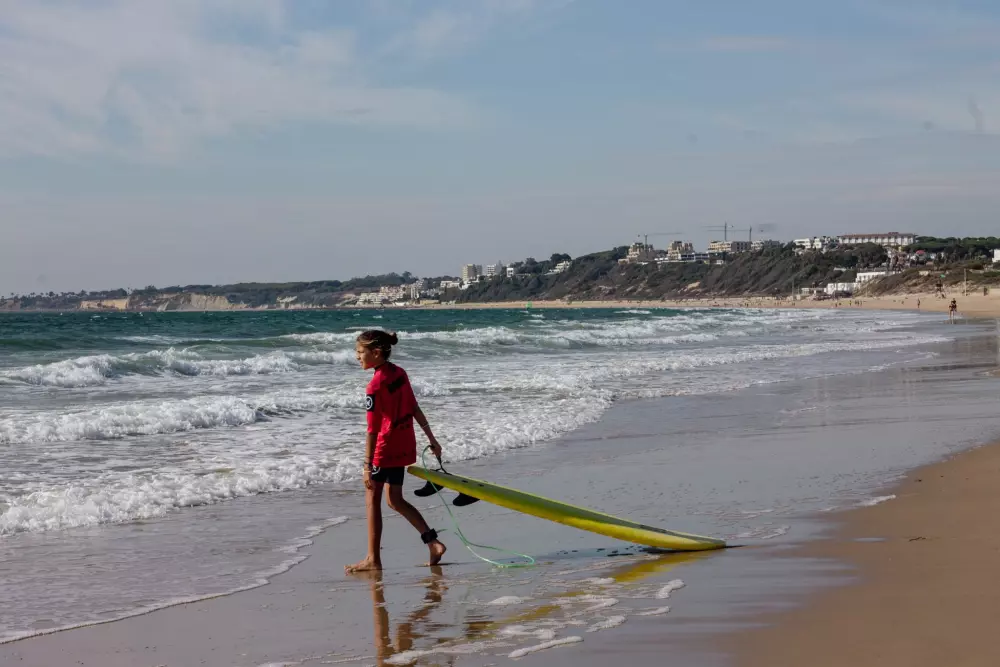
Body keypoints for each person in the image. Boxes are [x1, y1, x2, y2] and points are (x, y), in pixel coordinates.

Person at [346, 330, 446, 573]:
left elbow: (372, 430)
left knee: (372, 501)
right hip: (403, 443)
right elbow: (414, 407)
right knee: (395, 500)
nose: (357, 357)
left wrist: (367, 465)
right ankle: (432, 542)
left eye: (360, 352)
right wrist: (432, 439)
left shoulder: (374, 386)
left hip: (384, 449)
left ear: (376, 352)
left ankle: (373, 559)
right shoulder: (400, 373)